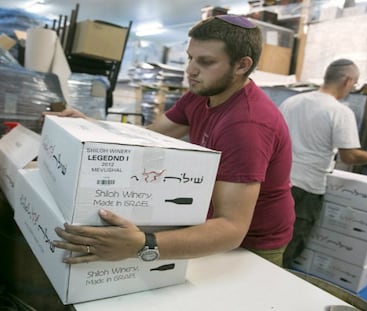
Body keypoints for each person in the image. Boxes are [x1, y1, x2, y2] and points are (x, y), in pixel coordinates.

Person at [50, 15, 295, 267]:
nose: (190, 70)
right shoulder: (202, 94)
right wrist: (92, 126)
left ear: (242, 65)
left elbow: (231, 228)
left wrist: (143, 244)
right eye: (190, 57)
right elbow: (150, 136)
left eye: (206, 61)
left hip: (251, 244)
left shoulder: (247, 125)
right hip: (210, 224)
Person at [279, 58, 367, 268]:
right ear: (348, 81)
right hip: (306, 189)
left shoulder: (292, 102)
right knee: (291, 245)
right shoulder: (340, 112)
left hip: (278, 183)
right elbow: (349, 156)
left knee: (271, 241)